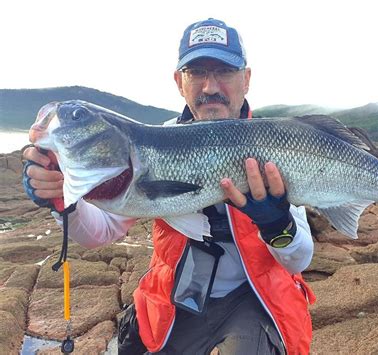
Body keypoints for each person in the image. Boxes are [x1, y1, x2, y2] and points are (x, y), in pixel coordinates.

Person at [22, 18, 316, 355]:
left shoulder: (275, 148)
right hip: (179, 296)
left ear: (246, 79)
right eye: (197, 73)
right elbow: (97, 235)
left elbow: (299, 260)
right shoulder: (153, 144)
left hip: (256, 297)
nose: (210, 87)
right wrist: (63, 200)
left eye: (224, 71)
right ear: (179, 82)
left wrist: (278, 225)